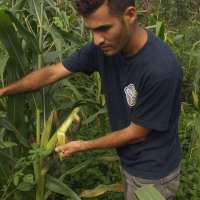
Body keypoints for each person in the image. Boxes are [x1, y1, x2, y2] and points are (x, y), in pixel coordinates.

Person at [0, 0, 182, 199]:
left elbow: (136, 133)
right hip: (129, 159)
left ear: (130, 15)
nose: (97, 40)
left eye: (104, 28)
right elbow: (52, 73)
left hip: (153, 172)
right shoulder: (104, 48)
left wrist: (83, 145)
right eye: (91, 30)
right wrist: (4, 90)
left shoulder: (160, 68)